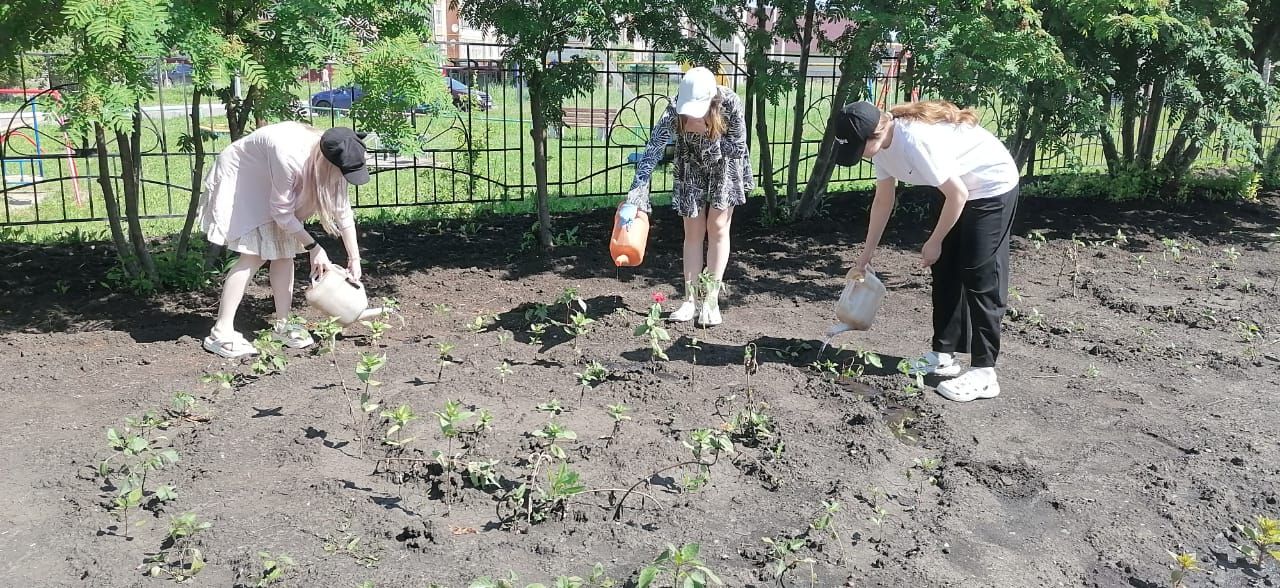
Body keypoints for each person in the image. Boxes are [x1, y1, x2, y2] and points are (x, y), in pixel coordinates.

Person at [831, 100, 1019, 402]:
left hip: (990, 185)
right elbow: (883, 201)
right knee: (944, 271)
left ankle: (985, 373)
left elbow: (958, 194)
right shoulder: (881, 147)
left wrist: (935, 241)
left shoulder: (916, 141)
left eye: (857, 147)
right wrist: (864, 258)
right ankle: (943, 355)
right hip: (956, 188)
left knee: (978, 274)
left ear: (875, 134)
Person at [198, 122, 370, 358]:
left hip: (270, 177)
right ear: (329, 164)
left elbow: (343, 211)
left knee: (284, 252)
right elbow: (281, 213)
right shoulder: (290, 157)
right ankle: (220, 332)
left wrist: (354, 258)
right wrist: (313, 247)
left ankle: (283, 324)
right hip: (245, 176)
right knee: (254, 255)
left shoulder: (336, 154)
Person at [619, 67, 752, 326]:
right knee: (692, 232)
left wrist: (706, 133)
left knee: (717, 228)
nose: (689, 113)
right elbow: (652, 150)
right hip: (690, 166)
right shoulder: (674, 109)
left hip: (725, 167)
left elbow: (737, 147)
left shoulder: (730, 103)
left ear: (711, 102)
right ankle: (690, 301)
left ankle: (711, 301)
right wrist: (635, 197)